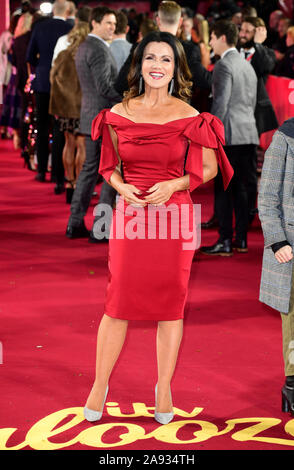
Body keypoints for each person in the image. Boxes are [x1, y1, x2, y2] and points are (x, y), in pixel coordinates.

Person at [83, 31, 233, 424]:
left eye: (166, 59)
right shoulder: (117, 113)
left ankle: (163, 385)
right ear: (139, 64)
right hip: (131, 217)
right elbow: (108, 167)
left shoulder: (191, 117)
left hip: (174, 218)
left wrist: (174, 184)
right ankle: (100, 383)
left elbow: (209, 169)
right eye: (151, 57)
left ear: (176, 68)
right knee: (117, 304)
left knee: (170, 307)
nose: (157, 66)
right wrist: (121, 187)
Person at [200, 20, 259, 256]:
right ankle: (241, 240)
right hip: (248, 132)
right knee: (242, 189)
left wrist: (209, 133)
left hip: (230, 135)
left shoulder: (224, 65)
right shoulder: (247, 65)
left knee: (224, 188)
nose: (210, 42)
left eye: (212, 37)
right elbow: (252, 102)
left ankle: (225, 240)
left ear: (223, 38)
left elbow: (221, 104)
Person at [65, 6, 121, 240]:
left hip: (91, 117)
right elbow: (105, 88)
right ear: (95, 23)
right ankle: (101, 229)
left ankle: (75, 222)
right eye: (108, 23)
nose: (112, 28)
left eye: (114, 24)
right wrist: (131, 100)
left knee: (90, 171)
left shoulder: (85, 45)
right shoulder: (97, 48)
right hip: (102, 119)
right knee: (109, 172)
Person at [258, 118, 294, 416]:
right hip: (291, 247)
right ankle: (292, 385)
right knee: (293, 317)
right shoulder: (285, 136)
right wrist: (277, 240)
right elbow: (268, 196)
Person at [26, 1, 72, 183]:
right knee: (60, 127)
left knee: (42, 126)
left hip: (43, 82)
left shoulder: (40, 27)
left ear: (53, 10)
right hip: (63, 84)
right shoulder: (70, 28)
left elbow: (30, 56)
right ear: (67, 11)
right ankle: (57, 173)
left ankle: (41, 170)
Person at [49, 20, 90, 203]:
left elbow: (53, 78)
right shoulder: (87, 54)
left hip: (66, 108)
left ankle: (69, 182)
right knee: (82, 147)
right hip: (83, 107)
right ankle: (80, 186)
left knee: (69, 144)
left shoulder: (63, 55)